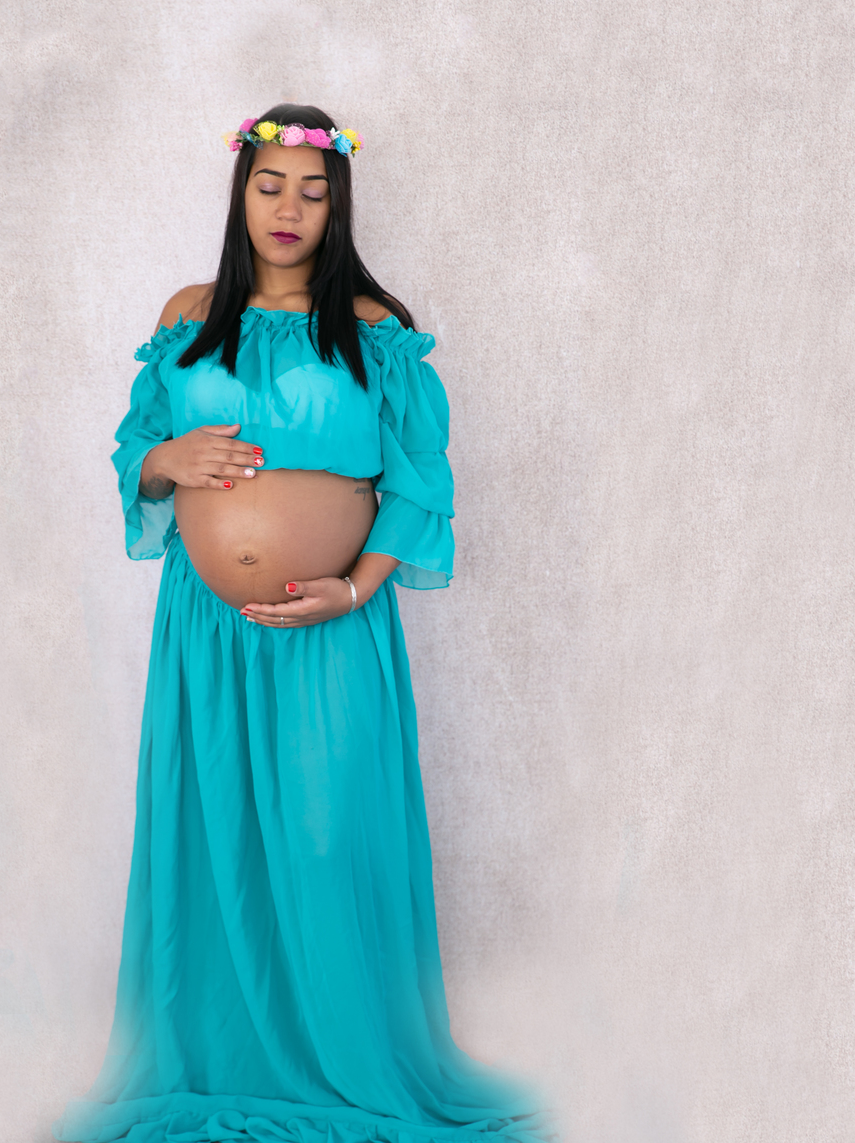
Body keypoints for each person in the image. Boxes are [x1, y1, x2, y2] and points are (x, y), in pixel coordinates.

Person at [53, 105, 551, 1143]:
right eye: (270, 185)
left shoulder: (373, 328)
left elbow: (418, 483)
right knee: (214, 843)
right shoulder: (190, 315)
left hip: (331, 627)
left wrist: (356, 588)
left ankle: (349, 1065)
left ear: (339, 206)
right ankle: (217, 1054)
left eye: (313, 192)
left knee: (327, 838)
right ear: (240, 193)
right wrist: (166, 460)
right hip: (206, 633)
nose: (289, 208)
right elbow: (137, 450)